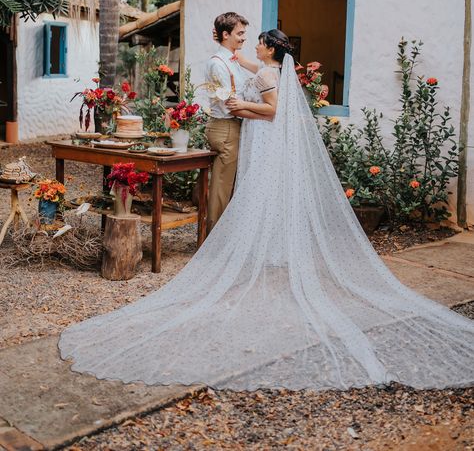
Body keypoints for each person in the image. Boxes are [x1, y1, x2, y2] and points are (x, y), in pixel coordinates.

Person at [59, 30, 474, 391]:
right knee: (262, 193)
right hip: (264, 137)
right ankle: (271, 244)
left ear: (271, 50)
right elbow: (245, 69)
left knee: (258, 191)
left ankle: (259, 247)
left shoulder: (267, 73)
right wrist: (234, 69)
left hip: (263, 132)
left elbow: (272, 110)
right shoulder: (269, 68)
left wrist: (241, 107)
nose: (253, 44)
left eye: (259, 41)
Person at [203, 12, 249, 234]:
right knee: (222, 188)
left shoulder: (233, 61)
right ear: (225, 34)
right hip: (226, 127)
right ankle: (213, 241)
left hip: (233, 126)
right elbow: (229, 103)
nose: (243, 38)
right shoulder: (218, 64)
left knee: (229, 186)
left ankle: (224, 237)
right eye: (239, 33)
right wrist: (265, 113)